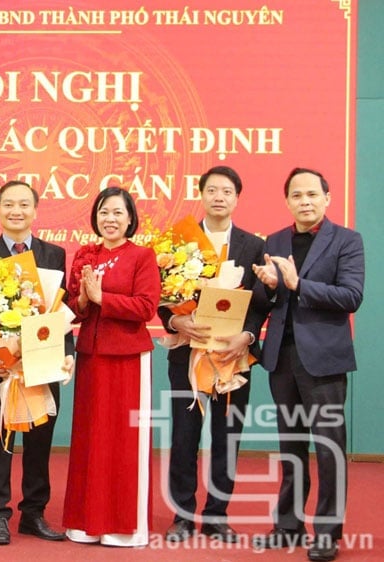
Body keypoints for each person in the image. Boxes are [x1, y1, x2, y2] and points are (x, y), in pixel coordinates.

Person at [250, 168, 364, 562]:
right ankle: (288, 525)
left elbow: (351, 295)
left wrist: (299, 285)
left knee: (330, 448)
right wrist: (267, 285)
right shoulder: (276, 240)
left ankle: (328, 533)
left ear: (327, 198)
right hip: (282, 356)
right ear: (287, 201)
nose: (305, 201)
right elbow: (266, 302)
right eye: (297, 195)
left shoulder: (347, 240)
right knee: (290, 447)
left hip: (324, 360)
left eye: (312, 194)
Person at [160, 166, 265, 544]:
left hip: (233, 356)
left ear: (237, 198)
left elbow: (261, 301)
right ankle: (182, 516)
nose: (219, 197)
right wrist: (175, 322)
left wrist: (248, 335)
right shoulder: (178, 242)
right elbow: (161, 296)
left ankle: (218, 514)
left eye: (227, 191)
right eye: (212, 190)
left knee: (227, 436)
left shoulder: (254, 245)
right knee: (184, 436)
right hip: (188, 355)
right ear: (201, 194)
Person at [0, 181, 73, 545]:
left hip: (42, 365)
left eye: (24, 204)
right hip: (0, 369)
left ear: (35, 210)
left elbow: (63, 310)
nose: (17, 211)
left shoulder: (54, 254)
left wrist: (67, 355)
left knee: (39, 441)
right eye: (9, 204)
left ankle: (34, 513)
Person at [63, 186, 160, 547]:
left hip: (127, 361)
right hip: (91, 357)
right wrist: (85, 301)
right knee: (91, 440)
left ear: (131, 218)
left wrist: (107, 299)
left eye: (118, 212)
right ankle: (87, 521)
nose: (110, 219)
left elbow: (147, 307)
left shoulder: (142, 256)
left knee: (121, 442)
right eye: (104, 212)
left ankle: (123, 525)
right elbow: (76, 309)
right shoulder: (86, 255)